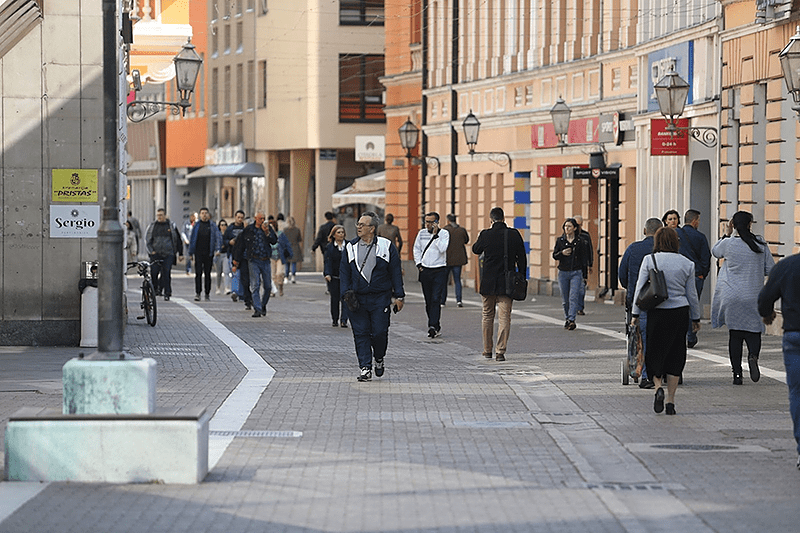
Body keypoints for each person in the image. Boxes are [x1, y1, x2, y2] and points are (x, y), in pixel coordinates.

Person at [632, 227, 701, 416]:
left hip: (656, 312)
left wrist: (635, 314)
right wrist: (696, 317)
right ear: (676, 242)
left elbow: (640, 289)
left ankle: (657, 388)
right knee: (676, 353)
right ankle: (671, 400)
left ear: (657, 242)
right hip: (679, 313)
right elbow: (692, 295)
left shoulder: (650, 260)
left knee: (655, 351)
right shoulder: (687, 263)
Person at [340, 211, 405, 382]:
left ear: (372, 228)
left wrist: (399, 296)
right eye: (358, 224)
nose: (358, 227)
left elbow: (395, 272)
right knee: (360, 333)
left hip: (380, 298)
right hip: (357, 299)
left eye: (362, 225)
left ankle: (379, 358)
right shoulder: (350, 247)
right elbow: (344, 273)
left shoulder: (386, 246)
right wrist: (345, 293)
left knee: (379, 332)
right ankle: (365, 367)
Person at [711, 211, 774, 385]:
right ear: (749, 224)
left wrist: (727, 233)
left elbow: (715, 251)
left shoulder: (729, 244)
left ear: (733, 224)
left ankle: (737, 374)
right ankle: (753, 356)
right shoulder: (760, 244)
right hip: (753, 295)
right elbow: (770, 269)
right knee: (754, 332)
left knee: (735, 336)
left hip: (732, 296)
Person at [758, 250, 800, 471]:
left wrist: (766, 314)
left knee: (797, 392)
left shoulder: (787, 266)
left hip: (794, 335)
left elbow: (765, 297)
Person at [471, 207, 526, 361]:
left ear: (491, 219)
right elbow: (521, 257)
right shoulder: (513, 234)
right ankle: (500, 351)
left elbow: (476, 249)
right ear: (503, 218)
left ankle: (487, 350)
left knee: (487, 315)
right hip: (507, 283)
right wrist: (522, 276)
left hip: (488, 282)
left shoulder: (485, 234)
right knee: (504, 317)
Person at [619, 218, 662, 389]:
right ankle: (662, 371)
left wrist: (630, 289)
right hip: (661, 301)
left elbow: (622, 274)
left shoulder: (633, 249)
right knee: (659, 337)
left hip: (638, 301)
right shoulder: (664, 250)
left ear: (645, 231)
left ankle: (642, 373)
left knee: (639, 337)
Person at [677, 209, 711, 348]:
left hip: (678, 276)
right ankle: (690, 336)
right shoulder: (700, 237)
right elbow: (706, 258)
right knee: (692, 305)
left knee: (679, 306)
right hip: (696, 275)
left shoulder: (675, 234)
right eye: (698, 220)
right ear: (694, 221)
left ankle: (679, 335)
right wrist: (702, 274)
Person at [232, 212, 277, 317]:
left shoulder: (267, 228)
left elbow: (274, 241)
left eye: (264, 218)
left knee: (268, 286)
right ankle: (257, 308)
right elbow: (241, 245)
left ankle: (263, 305)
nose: (262, 220)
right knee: (255, 285)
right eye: (260, 218)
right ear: (255, 218)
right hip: (253, 260)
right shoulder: (249, 230)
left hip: (265, 260)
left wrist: (268, 233)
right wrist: (236, 260)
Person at [413, 212, 450, 338]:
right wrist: (419, 264)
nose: (427, 224)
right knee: (428, 300)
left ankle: (432, 325)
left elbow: (443, 248)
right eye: (426, 221)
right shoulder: (421, 233)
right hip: (425, 270)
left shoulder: (444, 234)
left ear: (436, 222)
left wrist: (435, 235)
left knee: (436, 298)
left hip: (439, 269)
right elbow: (416, 249)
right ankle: (435, 324)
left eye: (430, 222)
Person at [553, 218, 589, 330]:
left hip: (576, 272)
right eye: (565, 226)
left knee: (573, 296)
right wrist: (562, 253)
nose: (566, 228)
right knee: (565, 299)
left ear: (574, 228)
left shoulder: (580, 242)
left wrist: (585, 275)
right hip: (563, 272)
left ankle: (571, 319)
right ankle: (567, 317)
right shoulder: (560, 241)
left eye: (569, 226)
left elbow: (584, 259)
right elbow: (554, 255)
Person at [144, 208, 183, 301]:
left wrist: (180, 253)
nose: (159, 217)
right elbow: (147, 240)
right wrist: (151, 251)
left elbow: (178, 240)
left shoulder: (171, 226)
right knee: (154, 273)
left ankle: (167, 292)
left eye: (161, 215)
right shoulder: (152, 226)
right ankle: (155, 289)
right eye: (158, 215)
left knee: (166, 273)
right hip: (155, 254)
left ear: (165, 215)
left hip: (168, 254)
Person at [188, 207, 223, 301]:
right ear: (200, 215)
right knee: (198, 273)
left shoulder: (212, 225)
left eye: (205, 213)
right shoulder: (197, 225)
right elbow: (192, 239)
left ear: (208, 215)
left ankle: (207, 293)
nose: (204, 215)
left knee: (208, 274)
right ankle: (198, 293)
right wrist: (191, 253)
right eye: (202, 213)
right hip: (198, 253)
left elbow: (217, 237)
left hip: (209, 253)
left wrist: (218, 249)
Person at [223, 210, 252, 309]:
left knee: (243, 275)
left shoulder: (245, 229)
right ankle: (235, 292)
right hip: (233, 253)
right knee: (235, 273)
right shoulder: (230, 228)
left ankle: (242, 294)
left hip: (244, 255)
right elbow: (224, 239)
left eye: (241, 218)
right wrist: (229, 242)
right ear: (235, 217)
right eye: (238, 217)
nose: (240, 219)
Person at [439, 213, 469, 307]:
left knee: (444, 280)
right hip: (458, 259)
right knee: (457, 280)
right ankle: (459, 300)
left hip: (447, 259)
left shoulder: (444, 230)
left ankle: (442, 301)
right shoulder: (461, 230)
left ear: (448, 220)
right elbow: (466, 240)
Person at [323, 224, 348, 328]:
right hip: (334, 277)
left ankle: (344, 320)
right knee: (335, 299)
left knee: (346, 299)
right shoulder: (329, 247)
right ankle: (335, 319)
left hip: (346, 277)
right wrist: (327, 273)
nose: (341, 234)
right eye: (338, 232)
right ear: (334, 235)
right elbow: (327, 261)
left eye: (342, 232)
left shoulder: (349, 246)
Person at [572, 215, 593, 316]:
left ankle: (580, 308)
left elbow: (590, 250)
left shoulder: (585, 235)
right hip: (571, 266)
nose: (579, 226)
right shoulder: (568, 236)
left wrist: (590, 264)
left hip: (582, 266)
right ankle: (572, 308)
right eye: (577, 224)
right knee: (572, 289)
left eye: (580, 224)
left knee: (581, 288)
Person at [269, 218, 291, 297]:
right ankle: (273, 290)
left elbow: (287, 244)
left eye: (272, 227)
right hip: (271, 257)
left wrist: (289, 253)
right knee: (272, 275)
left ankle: (280, 286)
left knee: (279, 273)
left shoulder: (280, 234)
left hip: (279, 256)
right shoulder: (267, 236)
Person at [283, 216, 303, 283]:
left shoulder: (285, 230)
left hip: (287, 248)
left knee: (287, 263)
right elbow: (299, 239)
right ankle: (293, 277)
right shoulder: (297, 230)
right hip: (295, 247)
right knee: (294, 263)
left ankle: (286, 277)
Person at [214, 219, 231, 295]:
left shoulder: (228, 234)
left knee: (226, 271)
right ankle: (218, 287)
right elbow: (214, 243)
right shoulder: (217, 234)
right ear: (219, 226)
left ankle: (226, 288)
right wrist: (215, 251)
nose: (223, 226)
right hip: (219, 254)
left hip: (226, 255)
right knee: (219, 273)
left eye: (225, 225)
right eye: (222, 225)